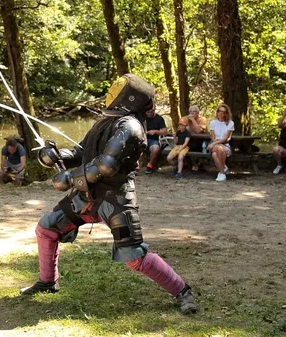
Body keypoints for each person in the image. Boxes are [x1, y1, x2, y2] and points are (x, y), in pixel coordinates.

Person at [24, 73, 198, 315]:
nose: (111, 92)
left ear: (129, 98)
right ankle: (48, 281)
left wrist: (70, 178)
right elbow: (82, 152)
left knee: (134, 257)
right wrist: (57, 155)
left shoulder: (131, 127)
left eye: (118, 88)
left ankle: (183, 291)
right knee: (47, 228)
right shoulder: (105, 122)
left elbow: (106, 165)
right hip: (88, 195)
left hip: (116, 199)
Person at [207, 104, 235, 182]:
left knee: (215, 154)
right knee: (218, 149)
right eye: (219, 111)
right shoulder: (213, 123)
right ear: (217, 112)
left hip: (225, 144)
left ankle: (221, 172)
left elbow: (226, 138)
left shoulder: (230, 123)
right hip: (215, 143)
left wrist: (213, 144)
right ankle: (223, 171)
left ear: (226, 113)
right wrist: (214, 143)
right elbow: (213, 137)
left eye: (223, 112)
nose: (221, 113)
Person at [143, 106, 167, 174]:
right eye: (148, 112)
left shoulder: (159, 119)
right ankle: (135, 166)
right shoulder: (143, 118)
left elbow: (165, 132)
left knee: (155, 149)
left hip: (154, 140)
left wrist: (156, 131)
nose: (150, 113)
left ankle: (150, 165)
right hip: (143, 139)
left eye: (152, 112)